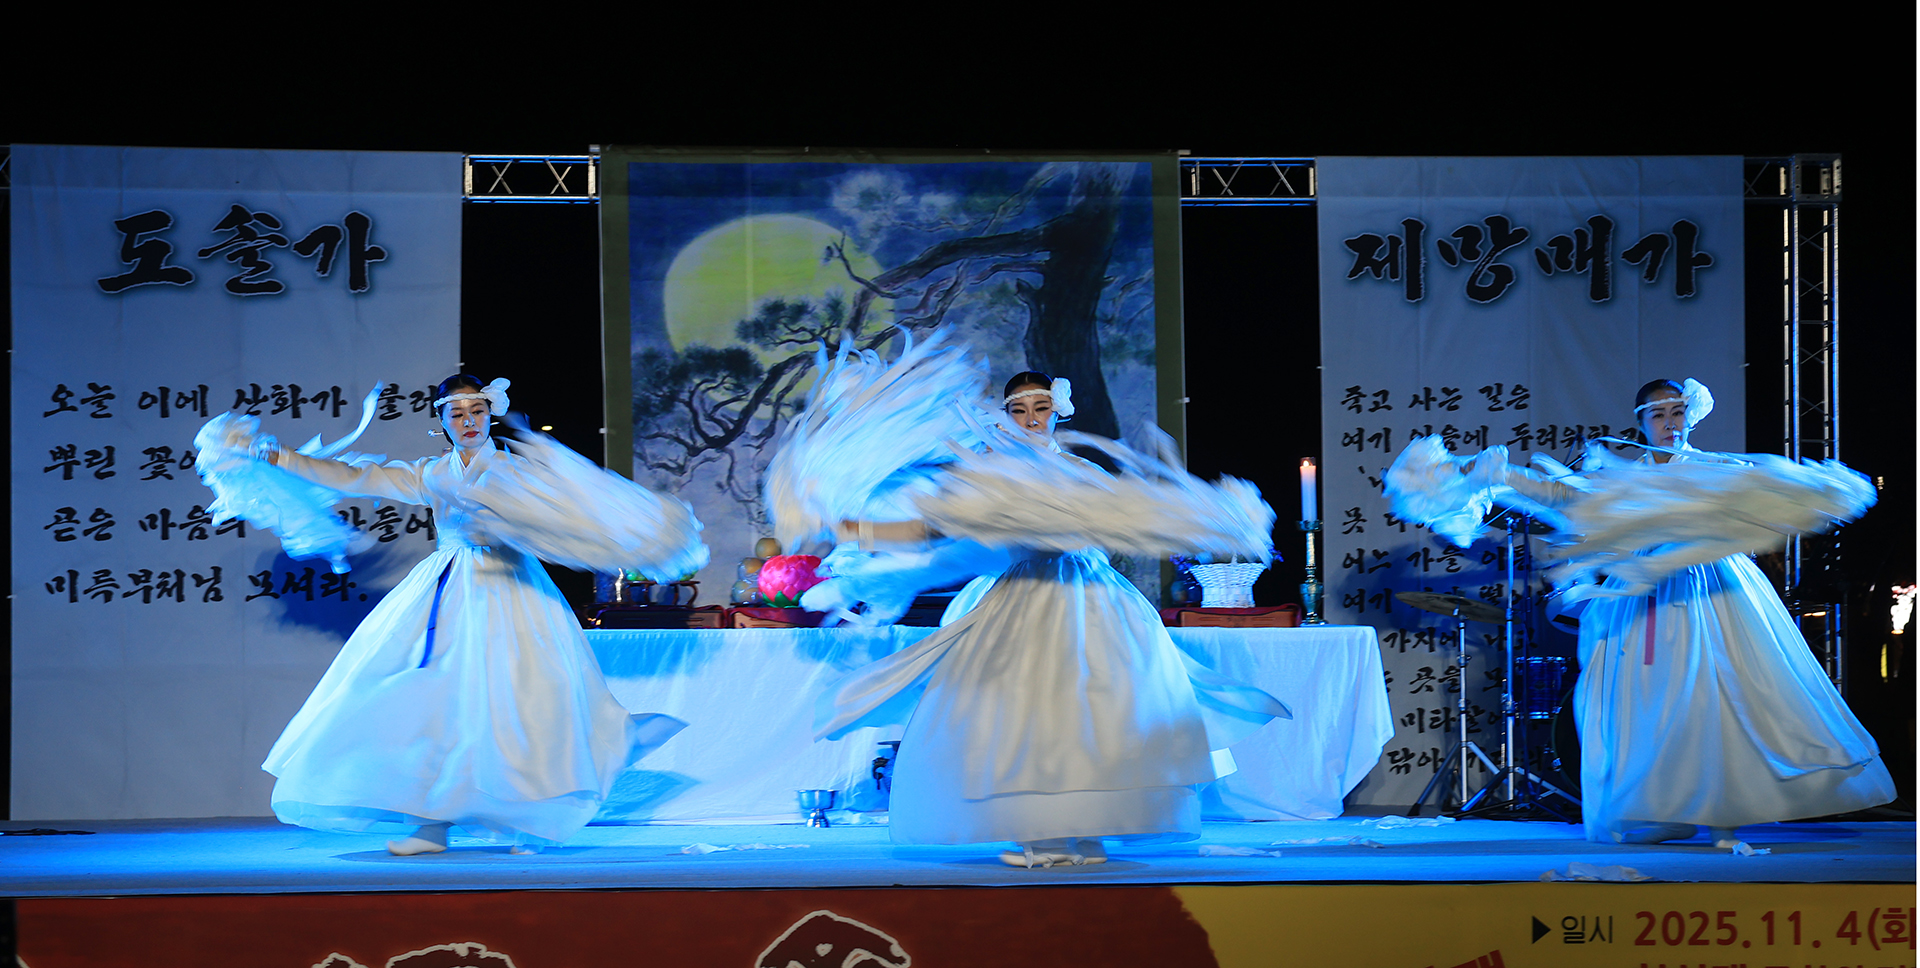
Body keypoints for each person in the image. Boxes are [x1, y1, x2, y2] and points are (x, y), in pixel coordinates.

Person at [774, 338, 1287, 868]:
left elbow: (1121, 521)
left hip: (1094, 601)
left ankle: (1086, 830)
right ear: (1005, 416)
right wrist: (853, 529)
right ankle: (1044, 835)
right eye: (1019, 410)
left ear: (1058, 410)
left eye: (1041, 407)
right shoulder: (991, 479)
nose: (1031, 418)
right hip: (1026, 601)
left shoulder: (1080, 473)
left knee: (1100, 713)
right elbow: (933, 530)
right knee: (1029, 716)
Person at [195, 375, 705, 854]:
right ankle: (430, 823)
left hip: (514, 590)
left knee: (525, 701)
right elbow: (355, 477)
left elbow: (576, 512)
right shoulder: (433, 473)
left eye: (476, 410)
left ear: (489, 414)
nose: (468, 421)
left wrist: (636, 535)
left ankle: (529, 817)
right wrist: (277, 455)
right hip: (450, 587)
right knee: (432, 699)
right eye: (457, 414)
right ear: (442, 421)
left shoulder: (516, 470)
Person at [1388, 378, 1893, 847]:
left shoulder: (1713, 468)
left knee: (1719, 693)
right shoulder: (1624, 476)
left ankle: (1725, 812)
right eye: (1658, 415)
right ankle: (1664, 807)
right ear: (1641, 423)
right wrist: (1496, 477)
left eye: (1677, 412)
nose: (1670, 422)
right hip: (1642, 595)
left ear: (1690, 415)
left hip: (1711, 590)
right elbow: (1567, 497)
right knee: (1644, 700)